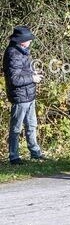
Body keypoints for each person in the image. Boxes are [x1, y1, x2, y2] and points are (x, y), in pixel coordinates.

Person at [4, 26, 45, 164]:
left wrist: (33, 73)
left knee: (31, 125)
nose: (30, 41)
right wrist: (32, 78)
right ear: (21, 41)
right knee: (16, 128)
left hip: (29, 95)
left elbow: (22, 72)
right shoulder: (12, 54)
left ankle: (35, 153)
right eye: (28, 39)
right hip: (20, 96)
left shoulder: (22, 51)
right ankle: (14, 157)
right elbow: (14, 79)